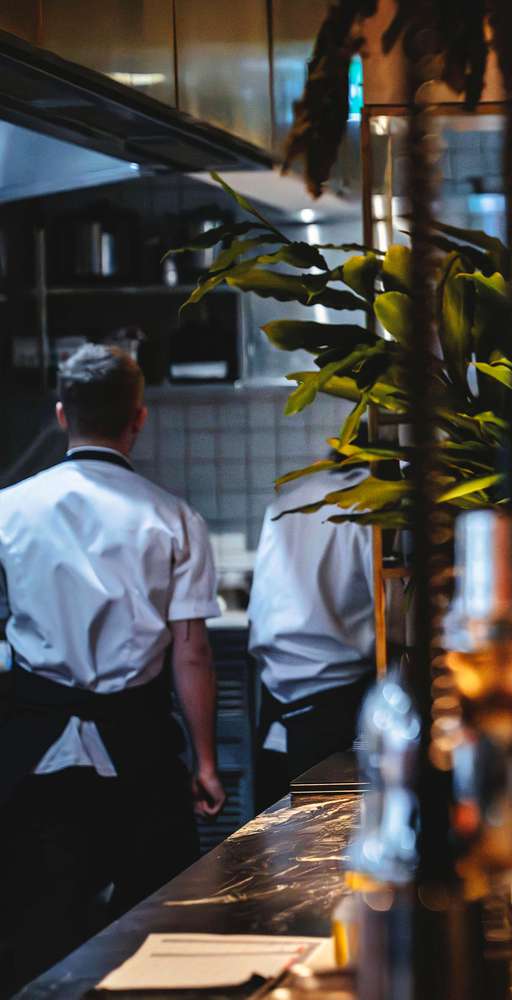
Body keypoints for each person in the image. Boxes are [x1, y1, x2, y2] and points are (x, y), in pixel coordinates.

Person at [0, 345, 224, 993]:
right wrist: (206, 763)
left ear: (61, 415)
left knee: (40, 932)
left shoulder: (7, 510)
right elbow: (192, 653)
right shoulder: (175, 518)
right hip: (141, 754)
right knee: (158, 932)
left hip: (35, 757)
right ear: (139, 418)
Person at [248, 461, 376, 811]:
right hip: (337, 705)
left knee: (274, 833)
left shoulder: (288, 500)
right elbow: (388, 609)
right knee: (327, 831)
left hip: (275, 695)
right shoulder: (370, 504)